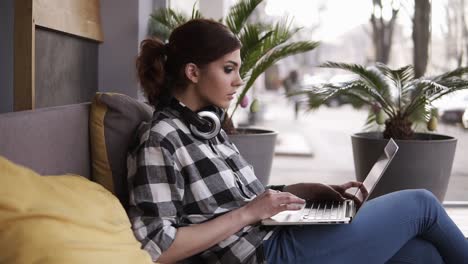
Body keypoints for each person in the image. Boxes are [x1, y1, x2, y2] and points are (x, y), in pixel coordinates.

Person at [128, 18, 468, 264]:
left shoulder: (206, 126)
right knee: (421, 205)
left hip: (276, 237)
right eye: (229, 69)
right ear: (193, 72)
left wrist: (302, 190)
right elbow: (159, 247)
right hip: (264, 255)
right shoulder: (160, 139)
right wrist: (249, 213)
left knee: (423, 254)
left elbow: (242, 202)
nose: (239, 81)